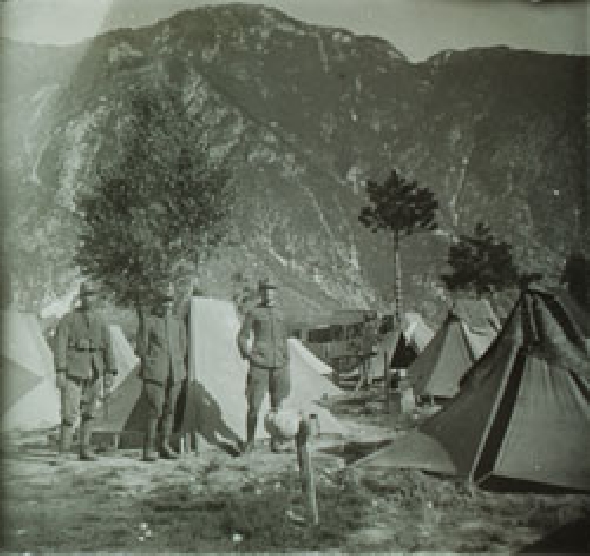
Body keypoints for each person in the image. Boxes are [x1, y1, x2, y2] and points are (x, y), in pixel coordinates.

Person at [54, 280, 117, 460]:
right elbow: (60, 346)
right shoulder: (68, 319)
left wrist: (110, 372)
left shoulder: (101, 321)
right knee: (69, 411)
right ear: (80, 298)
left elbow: (108, 347)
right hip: (73, 370)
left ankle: (84, 449)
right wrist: (60, 370)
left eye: (92, 295)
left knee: (89, 412)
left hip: (95, 370)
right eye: (86, 295)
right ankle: (64, 450)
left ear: (96, 297)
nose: (89, 299)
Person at [237, 278, 290, 454]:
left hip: (279, 365)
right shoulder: (254, 313)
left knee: (277, 405)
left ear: (276, 292)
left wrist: (286, 358)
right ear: (260, 292)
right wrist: (246, 353)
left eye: (271, 289)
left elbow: (284, 338)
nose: (268, 293)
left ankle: (276, 441)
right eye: (265, 290)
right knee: (254, 406)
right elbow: (243, 335)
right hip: (259, 365)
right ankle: (249, 442)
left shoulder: (282, 313)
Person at [136, 282, 187, 462]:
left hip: (175, 373)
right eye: (164, 300)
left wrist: (178, 367)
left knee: (170, 409)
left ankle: (164, 445)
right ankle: (148, 448)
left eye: (170, 300)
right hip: (155, 372)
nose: (167, 304)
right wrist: (150, 366)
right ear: (158, 302)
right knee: (154, 409)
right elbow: (141, 348)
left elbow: (183, 347)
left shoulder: (178, 323)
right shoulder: (149, 322)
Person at [355, 312, 379, 391]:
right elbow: (373, 340)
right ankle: (365, 387)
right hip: (367, 353)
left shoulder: (364, 330)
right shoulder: (370, 330)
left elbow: (364, 341)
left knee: (365, 373)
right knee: (368, 371)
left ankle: (361, 388)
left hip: (364, 353)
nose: (371, 323)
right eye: (370, 321)